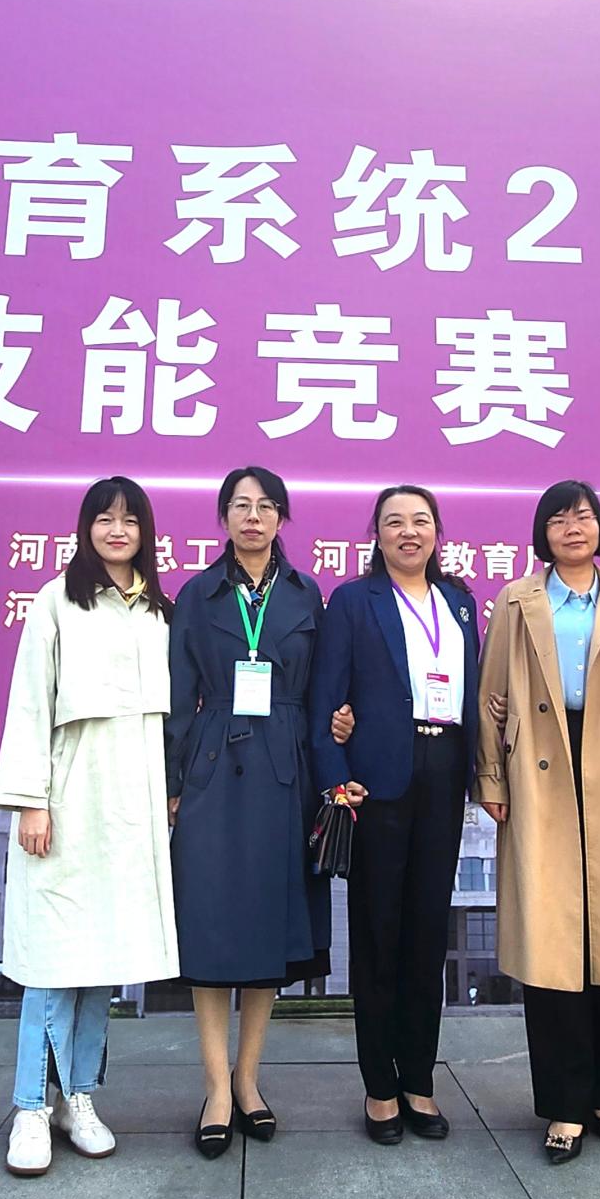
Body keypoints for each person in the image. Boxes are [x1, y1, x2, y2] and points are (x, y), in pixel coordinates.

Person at [477, 481, 600, 1165]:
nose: (572, 527)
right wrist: (492, 777)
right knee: (553, 940)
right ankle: (564, 1105)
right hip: (544, 763)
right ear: (543, 533)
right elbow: (493, 695)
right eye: (558, 518)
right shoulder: (516, 600)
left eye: (583, 516)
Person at [0, 476, 182, 1178]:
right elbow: (29, 702)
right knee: (52, 959)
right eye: (104, 519)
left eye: (130, 520)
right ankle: (29, 1107)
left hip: (133, 805)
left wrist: (171, 795)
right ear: (85, 528)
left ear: (146, 532)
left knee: (103, 955)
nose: (117, 530)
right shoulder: (55, 600)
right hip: (69, 795)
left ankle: (80, 1097)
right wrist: (31, 800)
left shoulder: (160, 610)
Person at [166, 466, 338, 1158]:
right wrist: (173, 781)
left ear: (281, 518)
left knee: (269, 923)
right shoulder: (196, 593)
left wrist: (332, 760)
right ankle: (214, 1086)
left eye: (266, 506)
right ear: (223, 517)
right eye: (240, 505)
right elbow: (178, 695)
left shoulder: (306, 593)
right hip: (212, 765)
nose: (253, 517)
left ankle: (248, 1080)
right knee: (211, 924)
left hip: (284, 766)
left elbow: (324, 690)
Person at [311, 485, 481, 1146]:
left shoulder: (460, 603)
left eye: (420, 521)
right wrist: (336, 777)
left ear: (437, 533)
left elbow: (472, 688)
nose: (408, 532)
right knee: (379, 936)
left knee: (426, 937)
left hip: (444, 773)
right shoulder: (354, 601)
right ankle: (379, 1088)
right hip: (377, 781)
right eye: (394, 522)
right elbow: (327, 699)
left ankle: (419, 1081)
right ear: (377, 535)